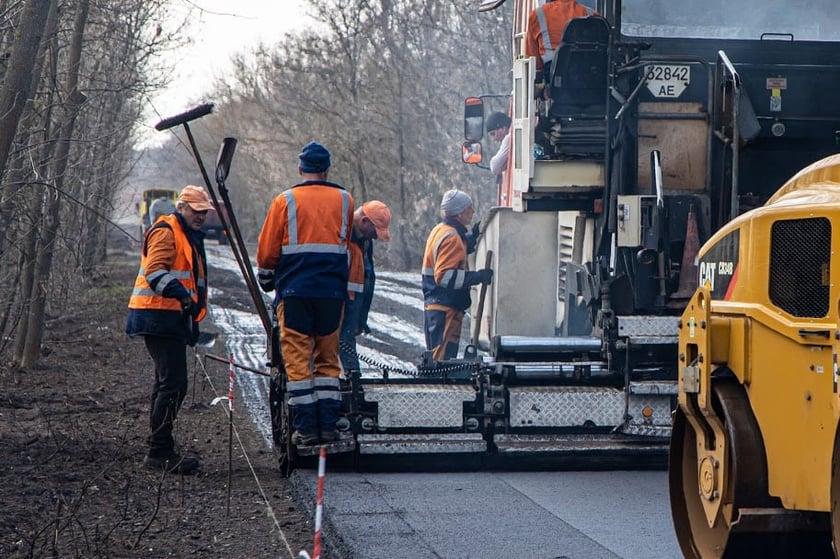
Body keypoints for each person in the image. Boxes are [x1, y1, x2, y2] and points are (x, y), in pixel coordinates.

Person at [256, 141, 354, 446]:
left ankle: (307, 429)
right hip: (331, 294)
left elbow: (267, 254)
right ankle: (327, 426)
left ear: (301, 169)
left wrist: (269, 274)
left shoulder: (285, 201)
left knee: (298, 360)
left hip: (295, 293)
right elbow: (347, 244)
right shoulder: (346, 200)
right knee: (327, 360)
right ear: (326, 170)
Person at [126, 185, 214, 474]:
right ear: (182, 207)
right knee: (173, 383)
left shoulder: (188, 234)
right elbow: (155, 272)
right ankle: (159, 451)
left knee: (167, 382)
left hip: (169, 317)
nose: (201, 216)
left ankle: (160, 447)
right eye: (196, 211)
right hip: (157, 315)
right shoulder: (167, 231)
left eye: (204, 212)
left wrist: (190, 318)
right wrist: (181, 296)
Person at [422, 189, 493, 361]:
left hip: (440, 307)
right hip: (445, 308)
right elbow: (445, 277)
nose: (473, 212)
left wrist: (473, 236)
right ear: (460, 213)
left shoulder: (441, 230)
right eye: (469, 208)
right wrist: (478, 277)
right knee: (441, 361)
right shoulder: (452, 237)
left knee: (441, 359)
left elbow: (456, 251)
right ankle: (439, 388)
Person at [341, 200, 392, 375]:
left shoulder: (364, 241)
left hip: (352, 309)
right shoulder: (342, 236)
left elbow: (366, 280)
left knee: (347, 349)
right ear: (364, 222)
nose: (375, 237)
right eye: (374, 232)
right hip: (339, 308)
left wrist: (360, 319)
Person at [525, 0, 596, 81]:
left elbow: (535, 63)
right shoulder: (591, 14)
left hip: (554, 76)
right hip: (587, 76)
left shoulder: (537, 15)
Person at [486, 112, 511, 177]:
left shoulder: (509, 138)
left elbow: (494, 167)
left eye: (493, 134)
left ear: (503, 128)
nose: (494, 139)